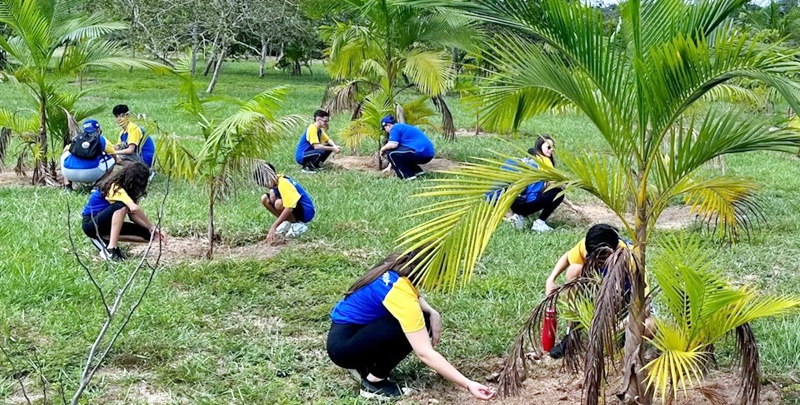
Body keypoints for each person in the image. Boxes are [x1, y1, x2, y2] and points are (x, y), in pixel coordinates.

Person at [327, 250, 496, 401]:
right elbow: (425, 353)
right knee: (415, 323)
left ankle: (364, 364)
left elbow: (411, 293)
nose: (442, 283)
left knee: (424, 316)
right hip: (345, 349)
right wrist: (468, 384)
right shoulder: (401, 295)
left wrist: (433, 311)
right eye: (443, 278)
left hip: (345, 335)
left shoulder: (399, 263)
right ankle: (374, 383)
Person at [81, 162, 167, 261]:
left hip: (107, 225)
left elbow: (133, 215)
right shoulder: (115, 187)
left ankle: (105, 237)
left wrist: (151, 230)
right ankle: (111, 248)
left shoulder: (127, 193)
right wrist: (151, 226)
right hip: (91, 224)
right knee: (120, 206)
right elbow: (133, 208)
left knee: (148, 235)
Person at [506, 136, 564, 232]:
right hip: (526, 205)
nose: (551, 150)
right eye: (548, 147)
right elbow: (554, 184)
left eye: (553, 147)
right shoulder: (543, 161)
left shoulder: (527, 161)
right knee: (559, 192)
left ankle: (519, 216)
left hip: (515, 204)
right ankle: (539, 223)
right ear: (540, 147)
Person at [253, 162, 315, 241]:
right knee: (265, 198)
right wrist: (272, 190)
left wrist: (274, 226)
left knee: (278, 204)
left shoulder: (284, 184)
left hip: (305, 211)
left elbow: (289, 208)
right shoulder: (277, 180)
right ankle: (288, 222)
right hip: (295, 209)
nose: (266, 186)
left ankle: (298, 225)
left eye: (265, 183)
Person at [61, 119, 119, 191]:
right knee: (111, 160)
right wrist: (116, 161)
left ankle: (67, 186)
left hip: (69, 173)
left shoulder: (77, 138)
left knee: (65, 156)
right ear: (98, 129)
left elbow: (65, 150)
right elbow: (113, 155)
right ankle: (97, 186)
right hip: (91, 173)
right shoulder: (101, 139)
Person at [379, 116, 435, 180]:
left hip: (420, 153)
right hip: (427, 154)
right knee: (401, 153)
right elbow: (398, 153)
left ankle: (407, 176)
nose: (386, 131)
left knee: (390, 152)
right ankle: (417, 171)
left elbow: (393, 145)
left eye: (384, 129)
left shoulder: (394, 128)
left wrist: (382, 149)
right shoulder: (402, 127)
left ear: (388, 125)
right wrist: (389, 167)